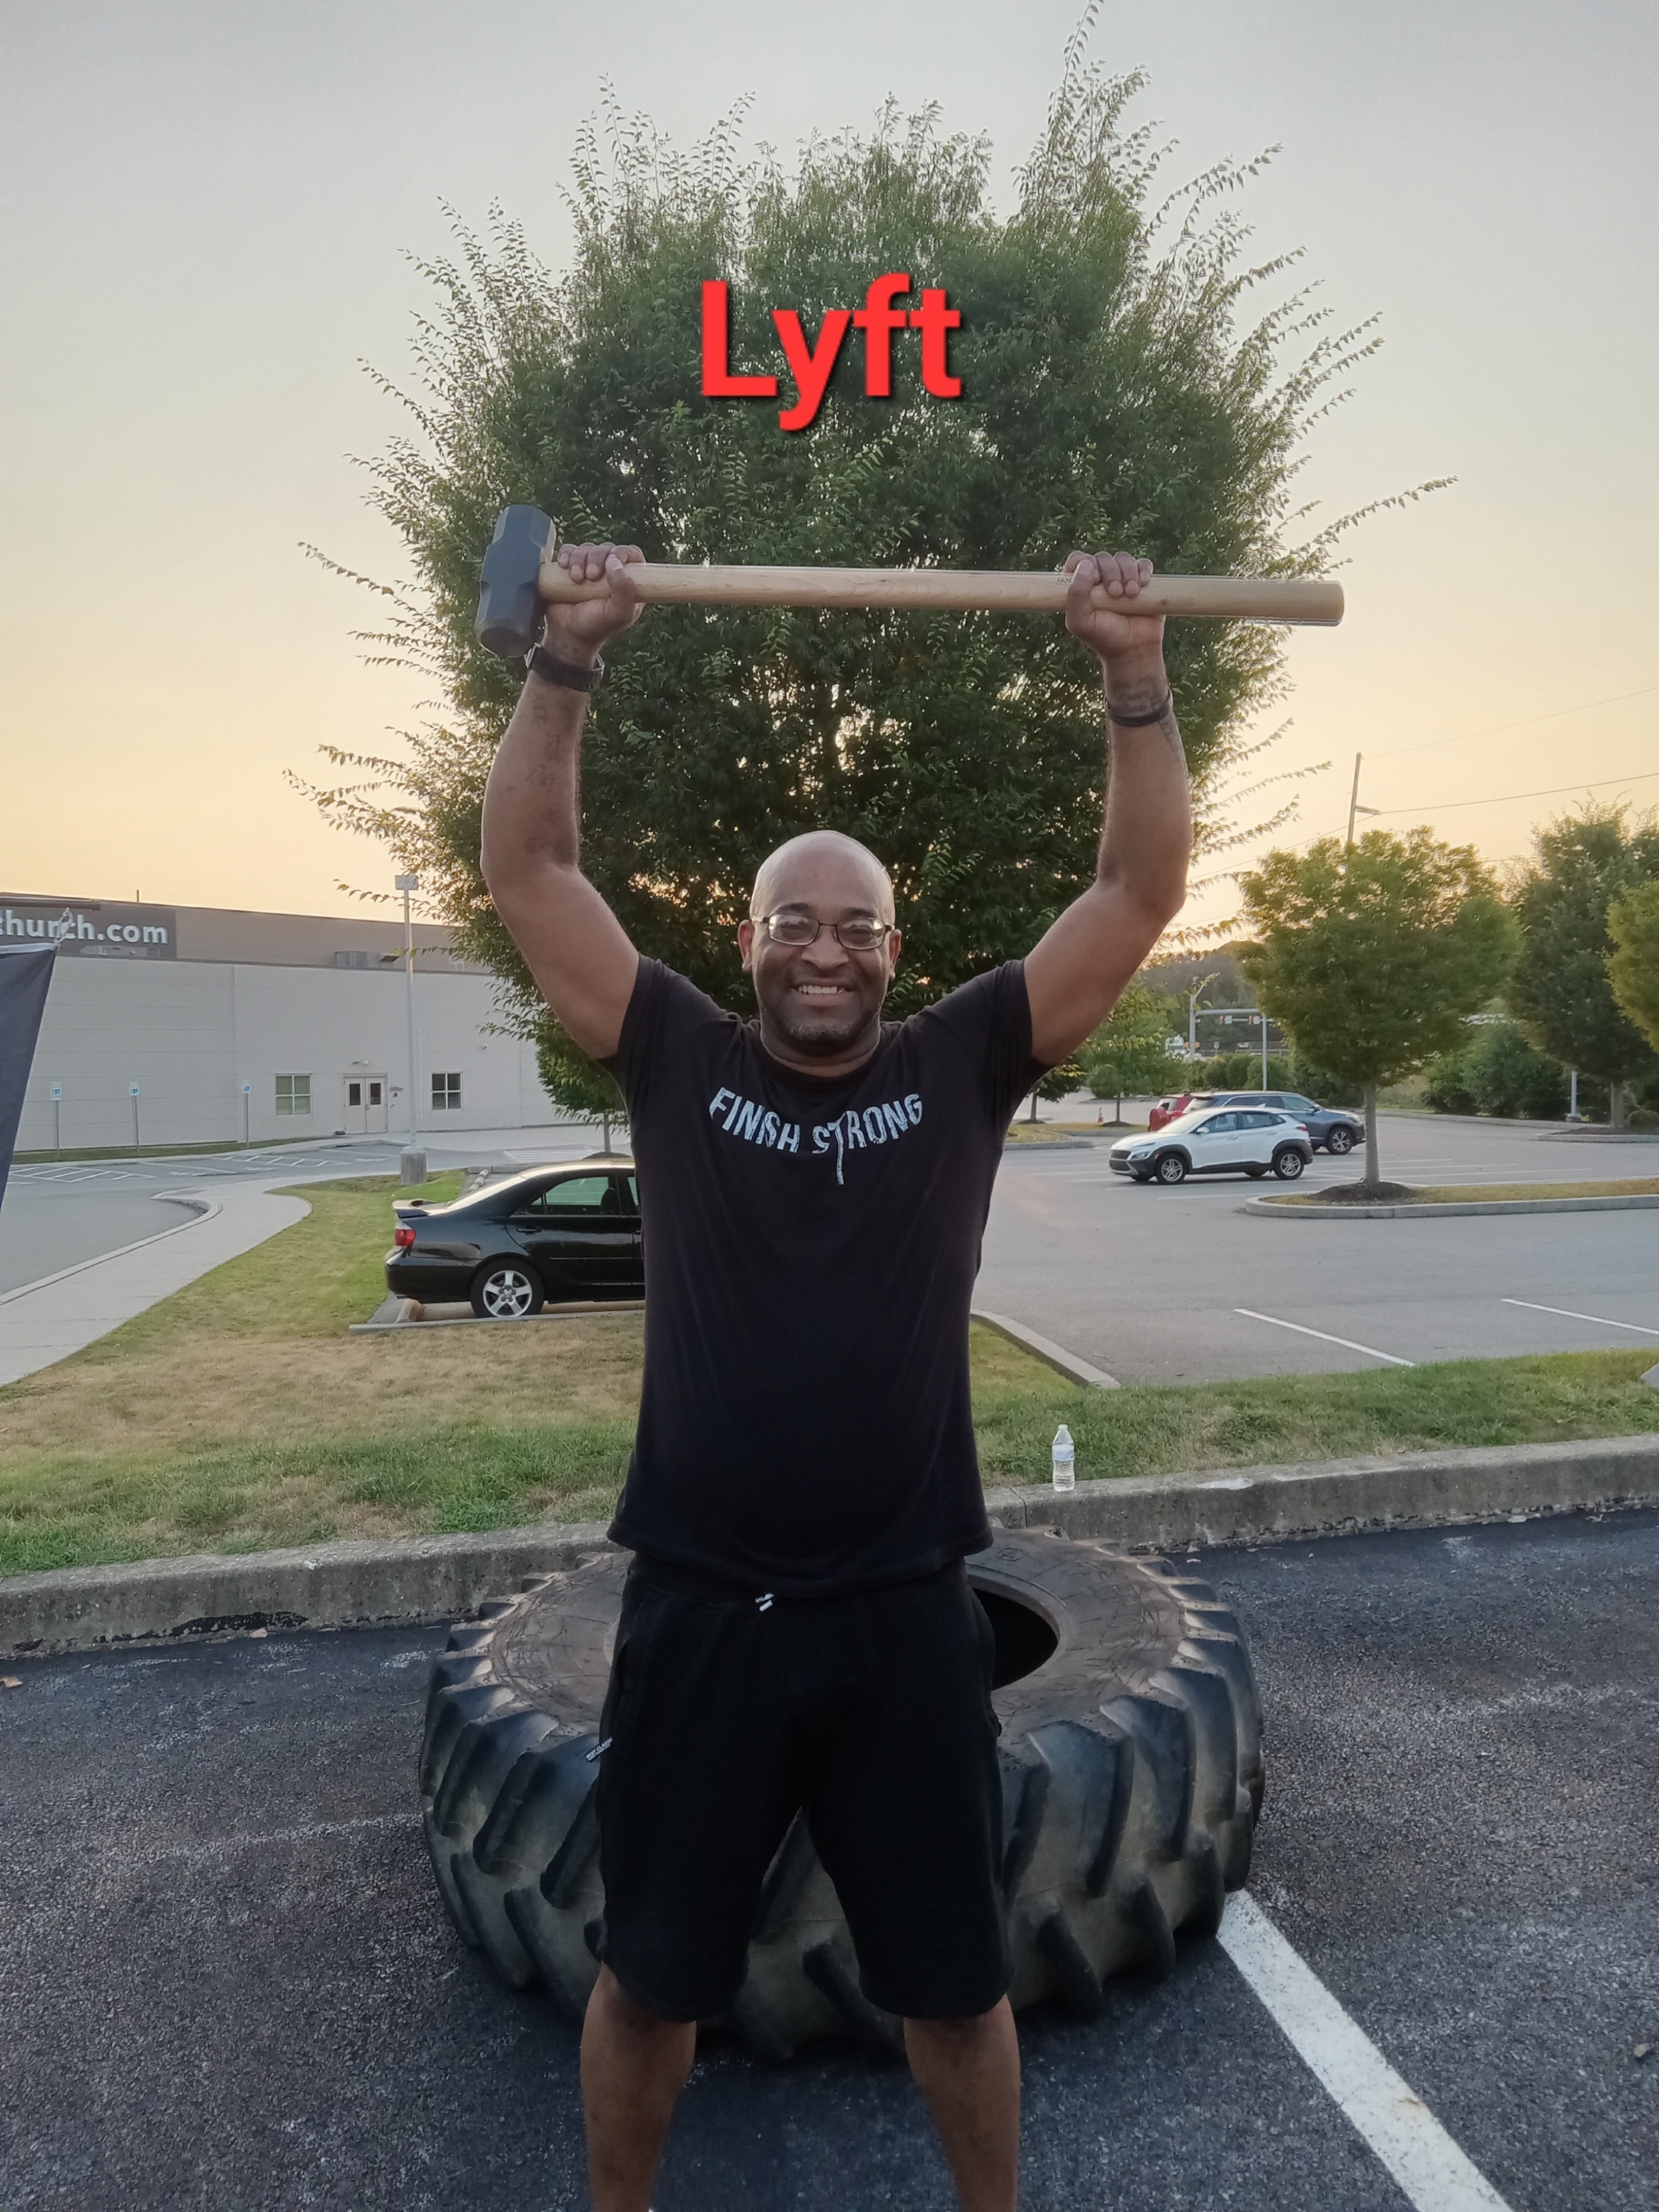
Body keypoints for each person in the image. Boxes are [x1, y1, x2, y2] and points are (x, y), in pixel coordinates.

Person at [481, 538, 1191, 2212]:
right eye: (794, 922)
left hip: (902, 1615)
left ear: (892, 946)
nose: (824, 948)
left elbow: (1134, 896)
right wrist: (566, 660)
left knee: (952, 1984)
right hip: (701, 1614)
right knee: (650, 1982)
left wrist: (1134, 675)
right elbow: (528, 869)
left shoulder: (959, 1064)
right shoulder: (673, 1054)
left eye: (854, 925)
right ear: (747, 939)